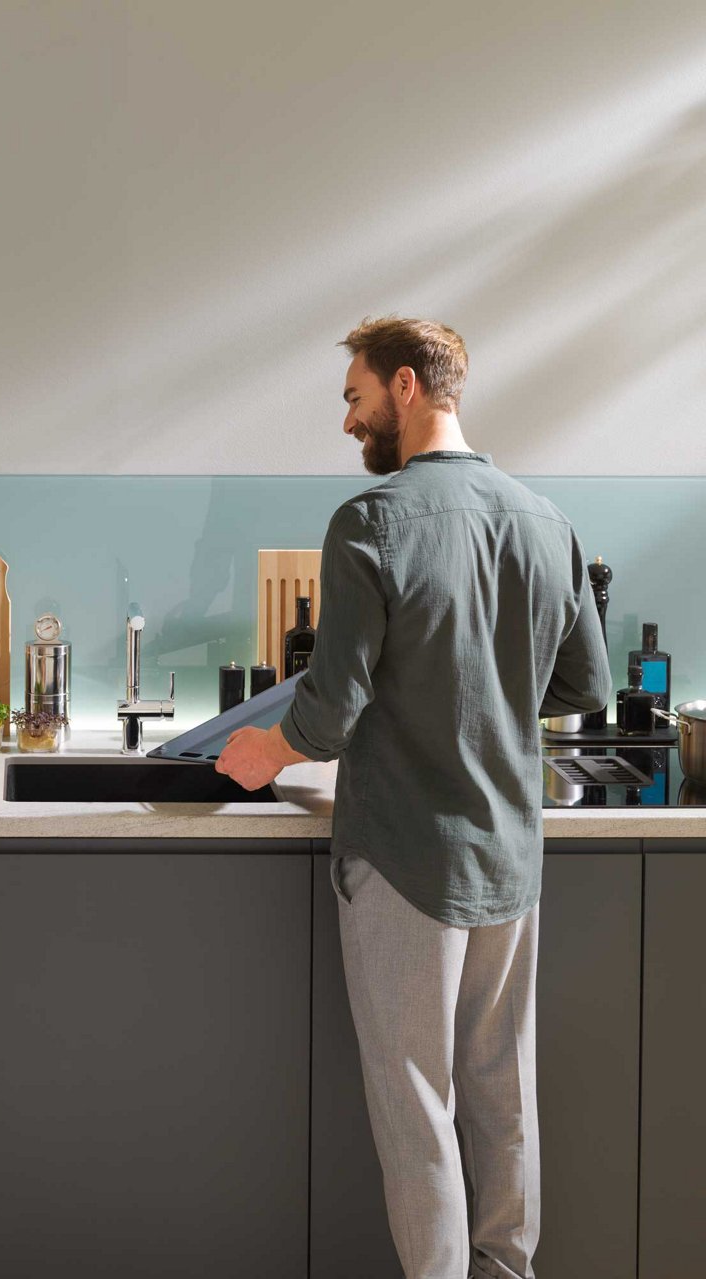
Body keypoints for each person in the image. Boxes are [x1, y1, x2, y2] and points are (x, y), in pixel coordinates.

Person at [216, 317, 610, 1279]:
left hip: (403, 857)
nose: (349, 422)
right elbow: (586, 688)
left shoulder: (371, 521)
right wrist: (486, 682)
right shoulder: (545, 520)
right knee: (500, 1090)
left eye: (353, 398)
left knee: (414, 1100)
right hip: (510, 854)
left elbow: (331, 711)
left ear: (404, 387)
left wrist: (261, 749)